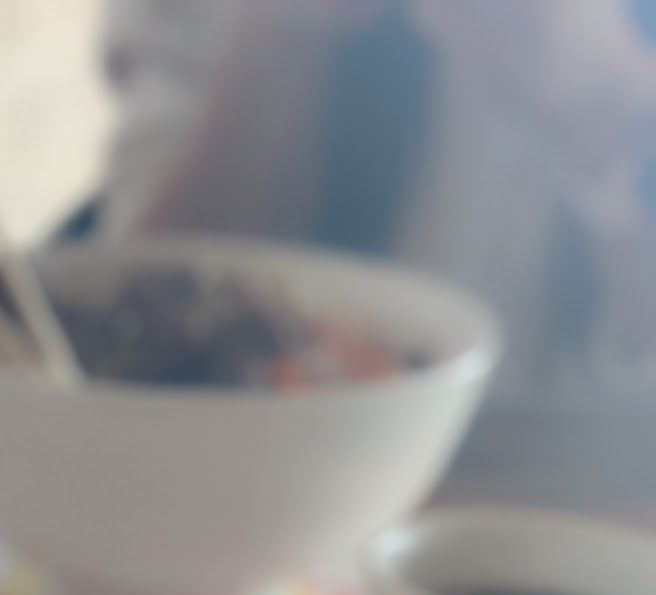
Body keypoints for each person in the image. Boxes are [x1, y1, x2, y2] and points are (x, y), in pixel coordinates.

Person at [97, 0, 656, 406]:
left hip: (588, 491)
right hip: (255, 478)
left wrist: (608, 107)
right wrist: (280, 34)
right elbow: (125, 321)